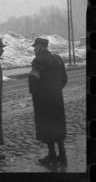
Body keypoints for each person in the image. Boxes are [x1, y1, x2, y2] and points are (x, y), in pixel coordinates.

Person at [29, 37, 68, 168]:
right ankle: (62, 154)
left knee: (47, 126)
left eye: (36, 46)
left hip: (44, 101)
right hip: (57, 99)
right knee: (58, 125)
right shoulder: (57, 59)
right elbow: (64, 78)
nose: (34, 49)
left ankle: (52, 155)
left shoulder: (38, 61)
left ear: (41, 47)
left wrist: (37, 93)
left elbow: (33, 81)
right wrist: (56, 90)